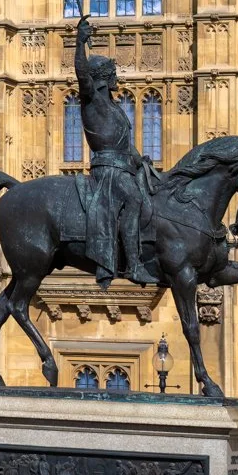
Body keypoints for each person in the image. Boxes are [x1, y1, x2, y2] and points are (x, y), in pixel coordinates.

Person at [75, 15, 159, 288]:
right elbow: (82, 74)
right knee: (133, 199)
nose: (117, 79)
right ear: (102, 77)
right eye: (112, 74)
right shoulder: (92, 101)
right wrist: (79, 42)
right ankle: (133, 266)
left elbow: (125, 144)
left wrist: (140, 160)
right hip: (107, 170)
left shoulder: (113, 107)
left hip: (123, 165)